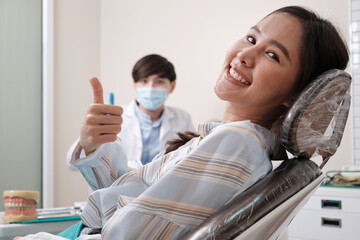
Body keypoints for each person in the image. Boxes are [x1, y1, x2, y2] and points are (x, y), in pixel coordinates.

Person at [17, 5, 349, 240]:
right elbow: (141, 193)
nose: (246, 55)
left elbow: (128, 233)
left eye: (273, 55)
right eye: (251, 39)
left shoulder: (238, 144)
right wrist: (93, 143)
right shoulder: (234, 141)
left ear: (295, 96)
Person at [66, 54, 194, 172]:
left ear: (172, 86)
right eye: (144, 81)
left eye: (159, 81)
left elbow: (191, 160)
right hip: (116, 194)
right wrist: (88, 145)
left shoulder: (182, 118)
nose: (150, 87)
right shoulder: (111, 117)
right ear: (135, 85)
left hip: (160, 194)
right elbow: (71, 164)